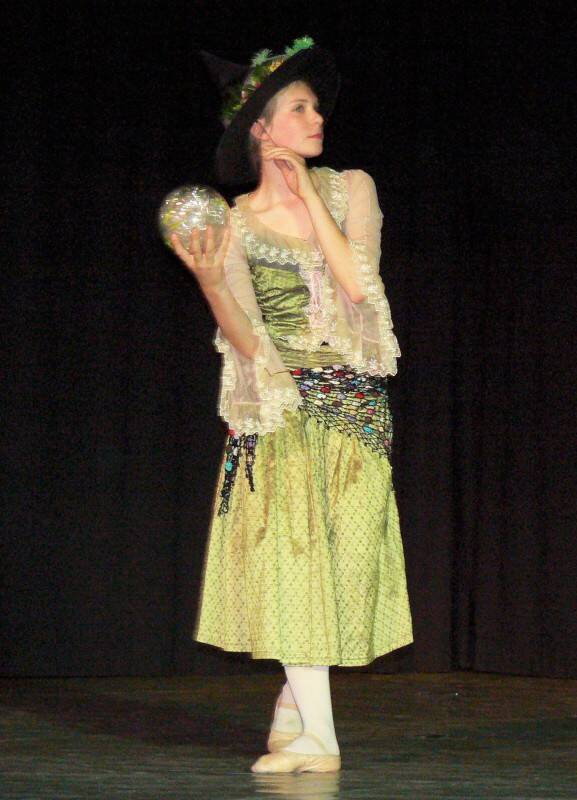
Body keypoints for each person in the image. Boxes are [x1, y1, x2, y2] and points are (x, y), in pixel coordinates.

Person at [171, 36, 413, 774]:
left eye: (314, 107)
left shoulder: (350, 189)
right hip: (282, 408)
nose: (317, 119)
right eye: (299, 109)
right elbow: (246, 340)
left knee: (345, 565)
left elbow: (358, 287)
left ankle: (292, 702)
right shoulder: (235, 221)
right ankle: (319, 740)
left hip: (354, 402)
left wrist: (308, 193)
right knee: (297, 563)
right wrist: (210, 281)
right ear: (261, 128)